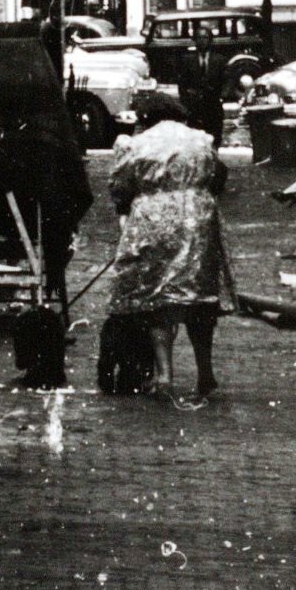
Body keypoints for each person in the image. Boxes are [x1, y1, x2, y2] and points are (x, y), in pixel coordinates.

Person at [108, 83, 231, 402]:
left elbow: (120, 186)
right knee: (199, 297)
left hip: (154, 220)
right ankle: (205, 372)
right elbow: (218, 176)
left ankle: (165, 376)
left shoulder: (136, 144)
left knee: (158, 298)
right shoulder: (201, 139)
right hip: (198, 219)